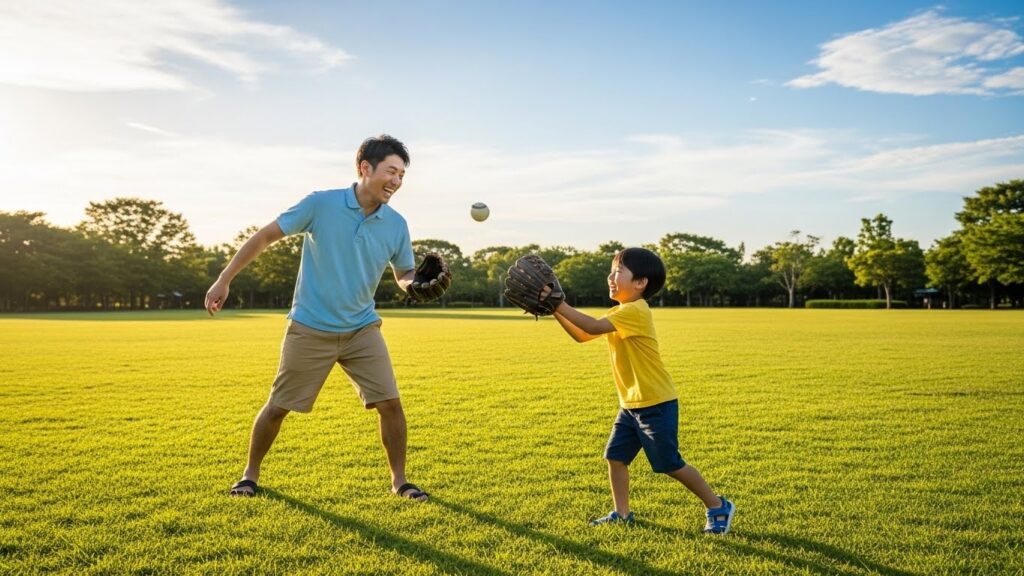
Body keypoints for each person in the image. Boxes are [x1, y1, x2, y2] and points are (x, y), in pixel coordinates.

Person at [205, 134, 435, 502]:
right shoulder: (321, 204)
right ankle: (249, 475)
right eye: (391, 171)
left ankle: (400, 482)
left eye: (402, 175)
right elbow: (265, 236)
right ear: (365, 168)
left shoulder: (396, 224)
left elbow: (403, 273)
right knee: (279, 406)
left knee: (390, 403)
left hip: (362, 328)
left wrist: (416, 284)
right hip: (310, 327)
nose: (397, 181)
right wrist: (224, 279)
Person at [550, 247, 735, 533]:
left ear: (640, 283)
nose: (611, 277)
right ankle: (621, 513)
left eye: (618, 272)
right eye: (611, 271)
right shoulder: (621, 311)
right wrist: (554, 310)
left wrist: (557, 303)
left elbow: (592, 326)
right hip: (631, 405)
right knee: (615, 457)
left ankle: (717, 505)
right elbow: (582, 335)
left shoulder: (635, 311)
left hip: (655, 403)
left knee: (669, 464)